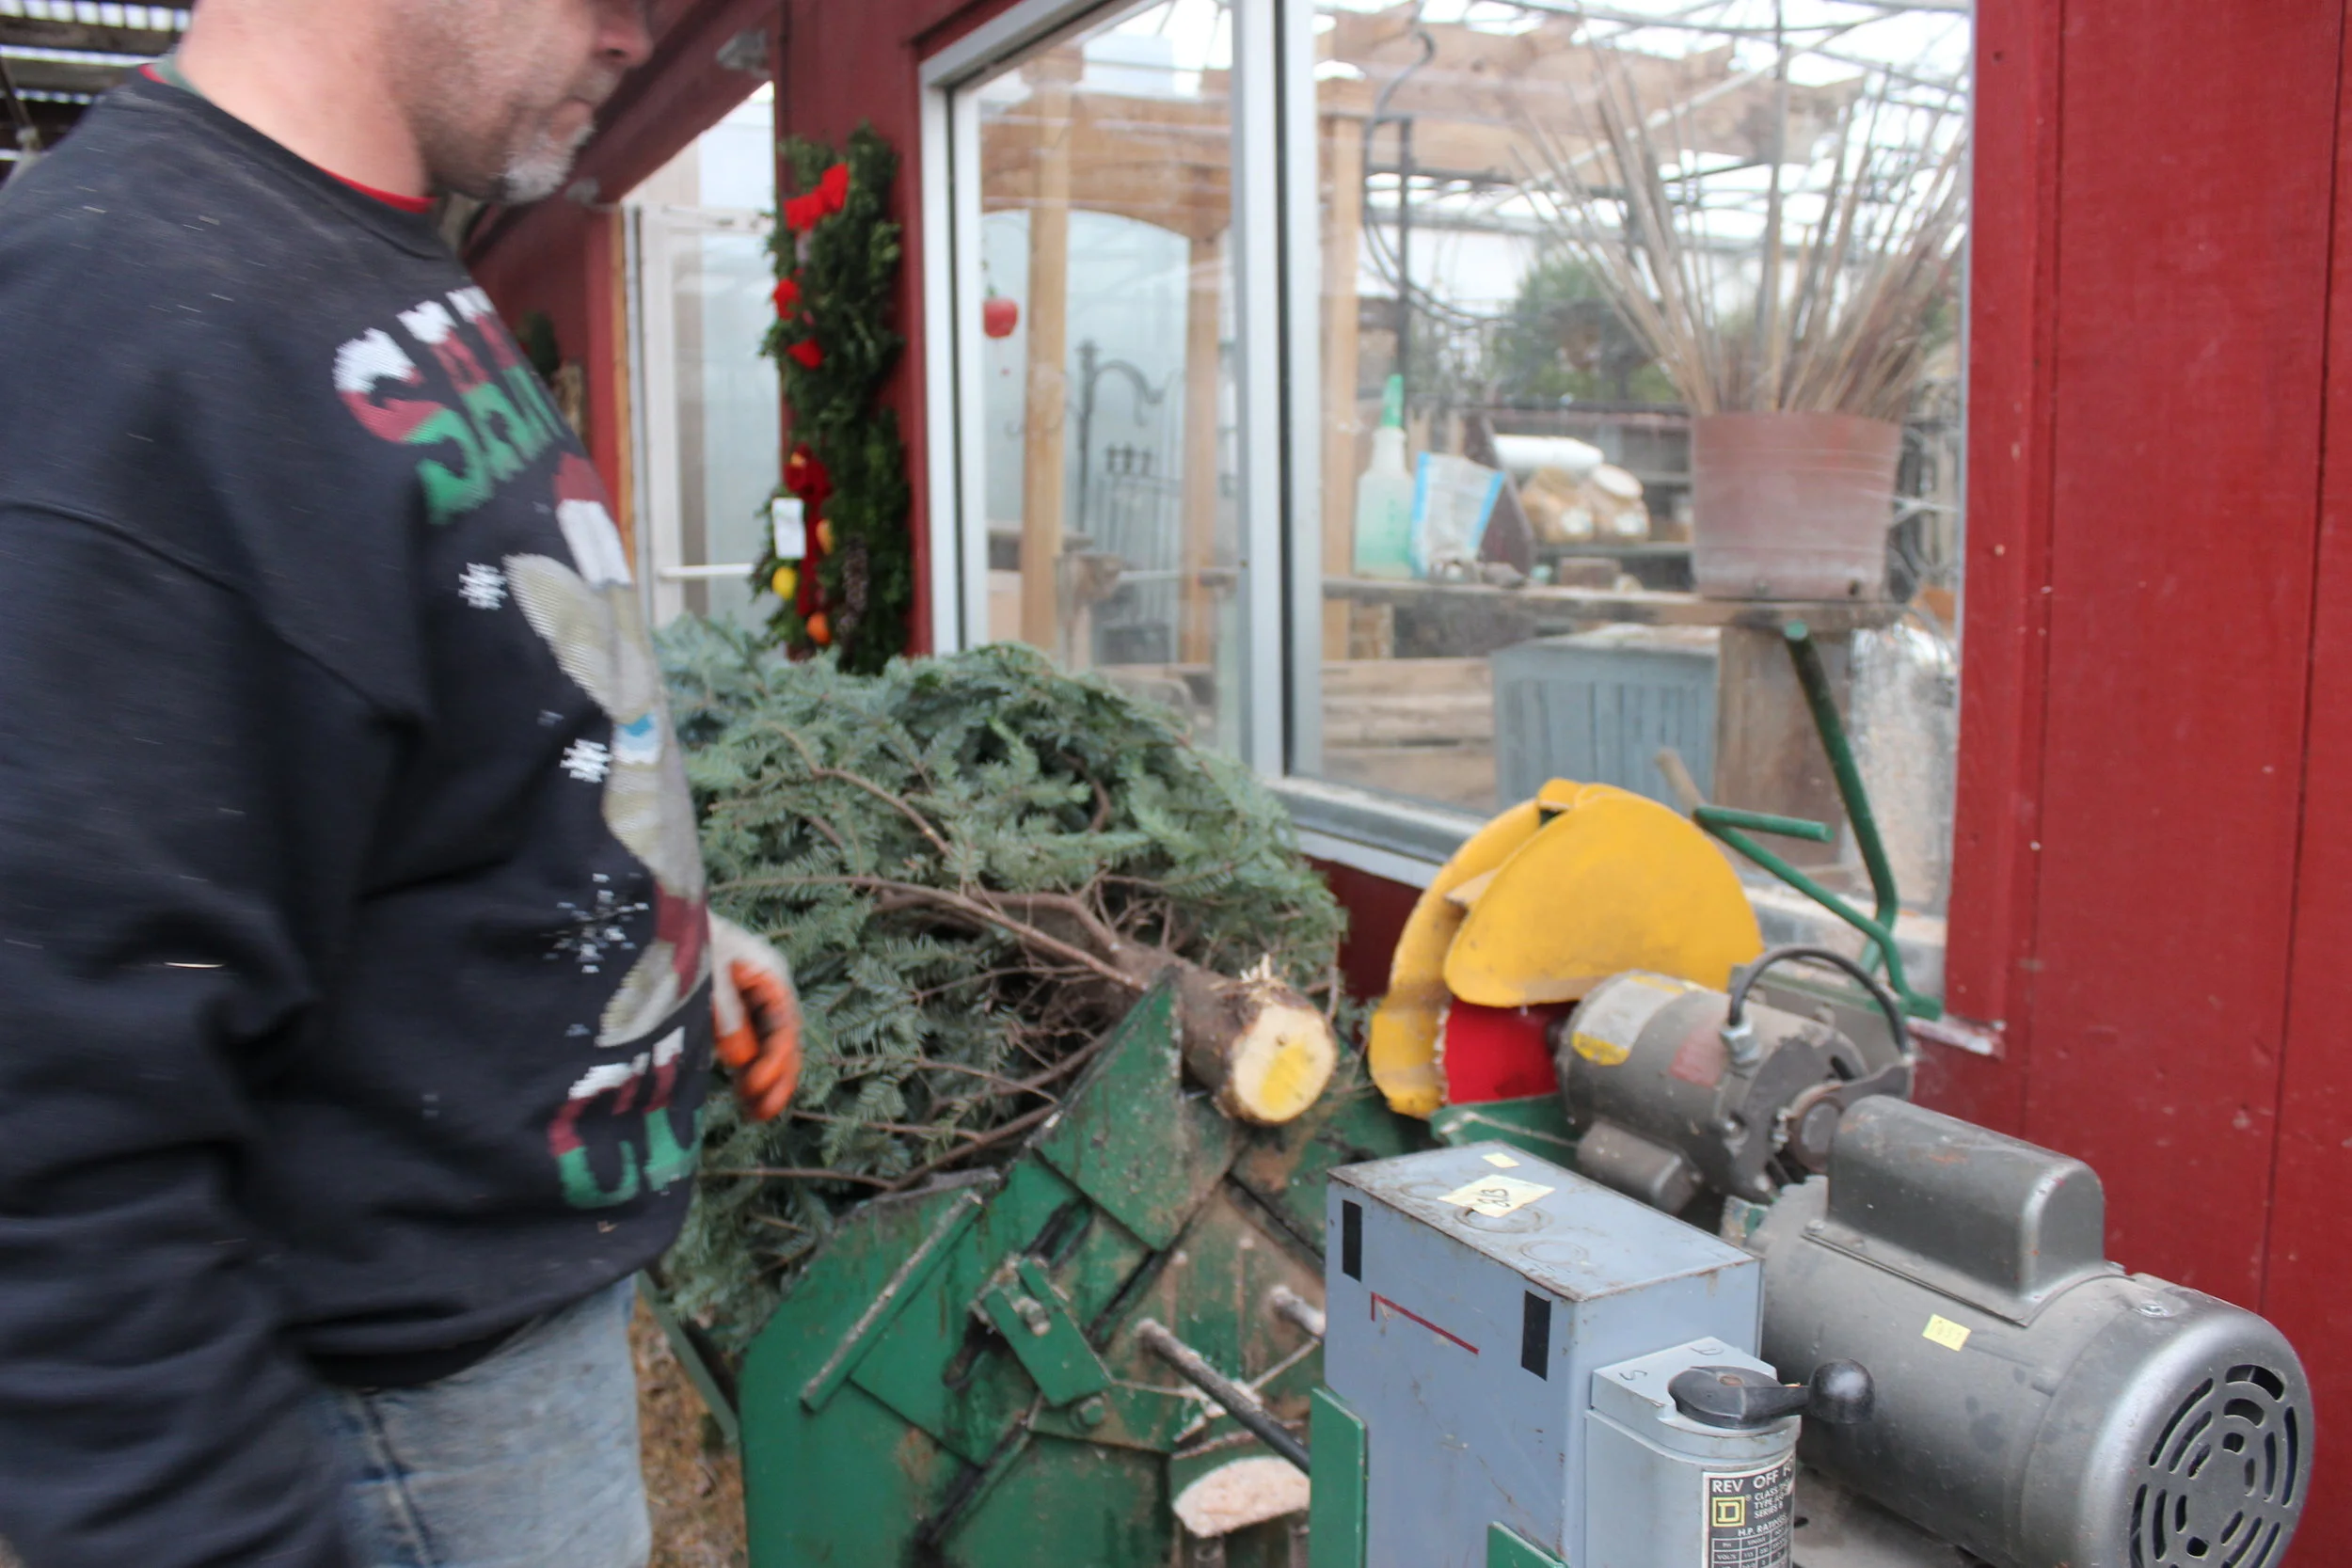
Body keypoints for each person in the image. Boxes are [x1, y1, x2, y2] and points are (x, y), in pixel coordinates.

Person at [0, 3, 802, 1564]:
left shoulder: (356, 252)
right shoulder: (130, 318)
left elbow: (408, 738)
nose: (648, 24)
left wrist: (670, 947)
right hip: (391, 1433)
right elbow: (56, 1147)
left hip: (483, 1383)